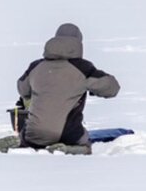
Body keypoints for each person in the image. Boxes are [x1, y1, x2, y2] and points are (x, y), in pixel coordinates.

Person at [16, 23, 119, 152]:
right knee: (85, 144)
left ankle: (17, 144)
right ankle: (70, 150)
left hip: (33, 134)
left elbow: (22, 89)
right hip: (67, 133)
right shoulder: (83, 69)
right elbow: (112, 88)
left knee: (28, 135)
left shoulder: (35, 66)